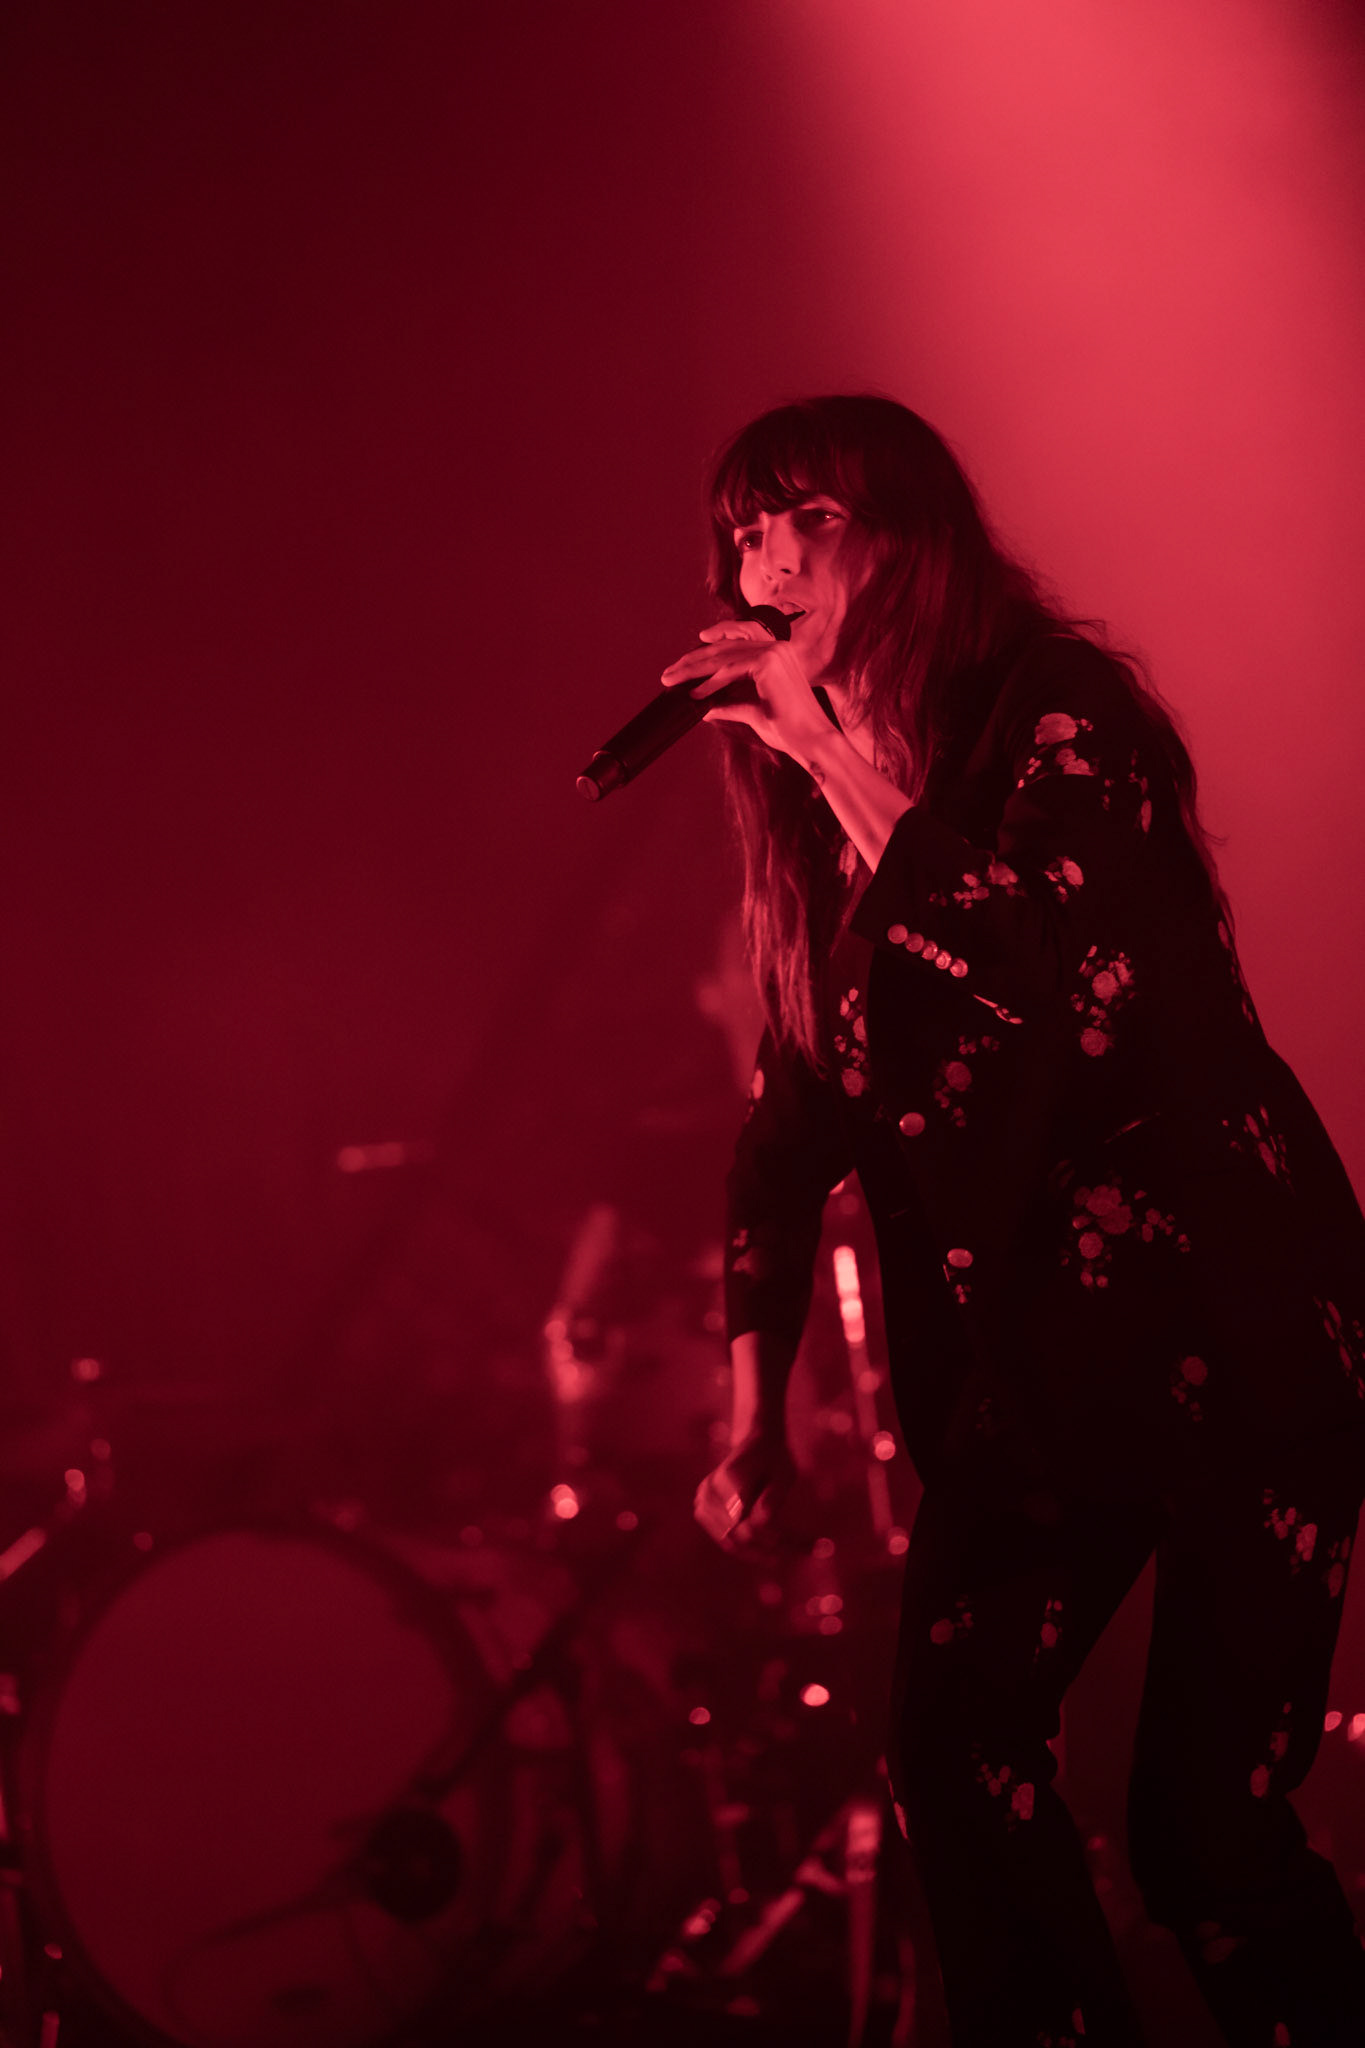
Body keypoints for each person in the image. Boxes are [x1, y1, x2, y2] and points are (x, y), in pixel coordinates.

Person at [665, 394, 1365, 2048]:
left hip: (1229, 1330)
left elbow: (1022, 966)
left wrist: (822, 741)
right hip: (1042, 1377)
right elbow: (784, 1142)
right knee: (954, 1760)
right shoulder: (827, 850)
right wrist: (749, 1412)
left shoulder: (1061, 719)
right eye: (738, 531)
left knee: (1206, 1834)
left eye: (795, 519)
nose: (758, 560)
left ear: (904, 536)